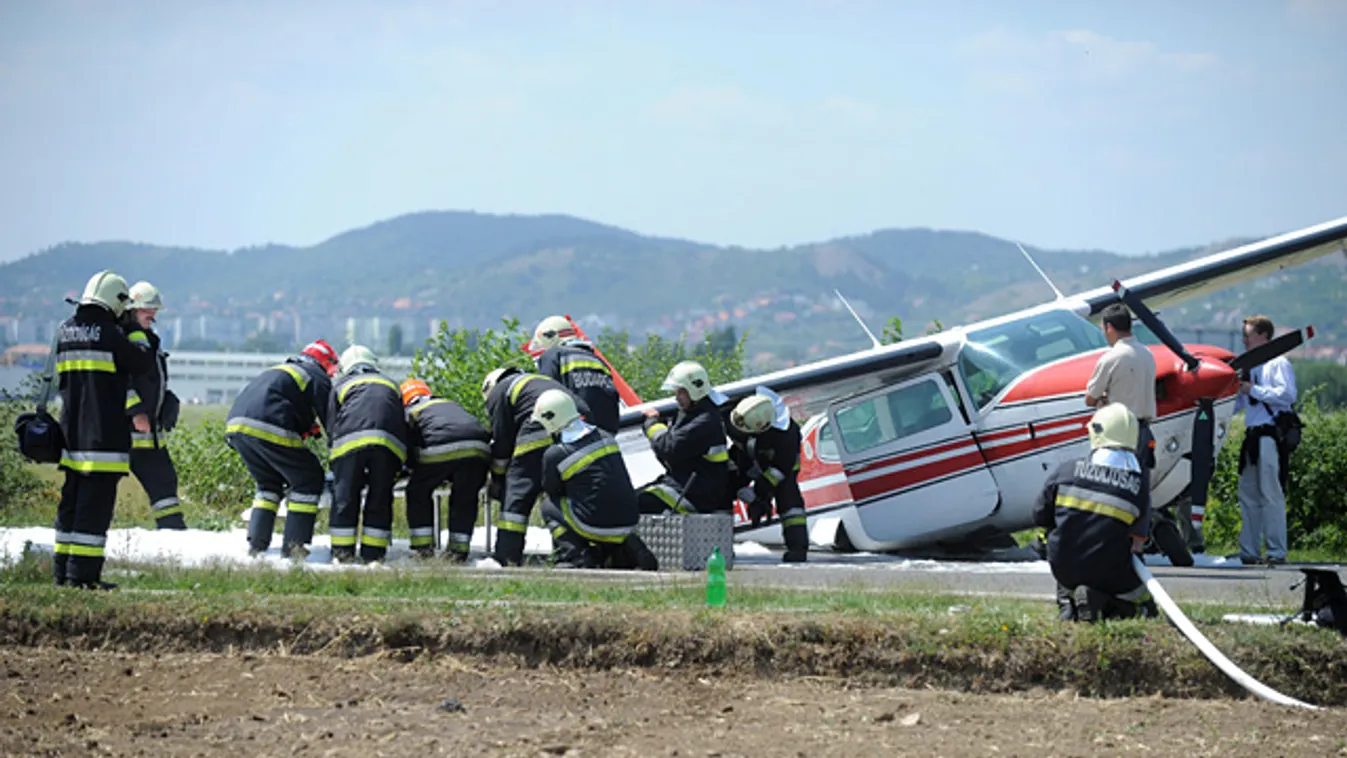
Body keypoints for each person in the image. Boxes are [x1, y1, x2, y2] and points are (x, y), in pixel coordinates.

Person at [52, 270, 155, 589]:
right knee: (93, 511)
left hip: (72, 436)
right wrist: (137, 332)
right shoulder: (111, 334)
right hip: (104, 439)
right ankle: (83, 578)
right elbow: (142, 363)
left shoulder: (65, 330)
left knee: (70, 504)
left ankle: (63, 574)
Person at [1034, 404, 1157, 622]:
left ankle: (1069, 603)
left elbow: (1040, 516)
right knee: (1141, 606)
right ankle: (1106, 603)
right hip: (1112, 573)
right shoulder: (1137, 487)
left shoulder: (1065, 471)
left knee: (1064, 551)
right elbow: (1137, 542)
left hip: (1064, 568)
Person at [226, 339, 338, 557]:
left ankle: (256, 544)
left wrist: (305, 425)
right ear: (326, 362)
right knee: (309, 478)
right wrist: (339, 453)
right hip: (268, 425)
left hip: (236, 426)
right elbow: (331, 420)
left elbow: (278, 401)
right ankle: (294, 548)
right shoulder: (316, 375)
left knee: (269, 483)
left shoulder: (280, 370)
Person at [532, 388, 658, 570]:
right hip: (630, 520)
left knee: (549, 507)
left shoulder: (555, 454)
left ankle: (577, 556)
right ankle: (626, 548)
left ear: (551, 420)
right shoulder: (606, 437)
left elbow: (552, 489)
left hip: (595, 526)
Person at [326, 345, 408, 564]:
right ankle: (374, 555)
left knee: (345, 497)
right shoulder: (391, 384)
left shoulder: (342, 385)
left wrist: (333, 459)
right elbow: (402, 419)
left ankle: (342, 555)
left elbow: (332, 424)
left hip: (349, 444)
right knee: (380, 498)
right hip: (388, 444)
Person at [399, 378, 491, 561]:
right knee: (465, 497)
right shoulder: (449, 403)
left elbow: (407, 447)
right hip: (479, 448)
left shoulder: (409, 411)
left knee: (418, 491)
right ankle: (458, 552)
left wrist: (407, 468)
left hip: (440, 445)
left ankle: (423, 550)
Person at [121, 281, 186, 530]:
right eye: (147, 308)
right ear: (132, 309)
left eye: (155, 309)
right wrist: (136, 411)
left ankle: (172, 534)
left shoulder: (147, 339)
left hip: (148, 434)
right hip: (126, 432)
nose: (153, 313)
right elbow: (121, 380)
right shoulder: (124, 339)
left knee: (164, 482)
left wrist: (167, 401)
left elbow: (150, 380)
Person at [1235, 315, 1298, 566]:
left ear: (1262, 336)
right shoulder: (1249, 368)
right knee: (1248, 494)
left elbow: (1287, 395)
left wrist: (1253, 390)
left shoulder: (1278, 363)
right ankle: (1249, 550)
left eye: (1248, 335)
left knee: (1271, 494)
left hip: (1270, 434)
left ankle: (1276, 551)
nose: (1244, 340)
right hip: (1252, 435)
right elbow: (1241, 404)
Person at [637, 360, 731, 515]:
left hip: (695, 494)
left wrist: (652, 423)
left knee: (633, 506)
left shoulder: (704, 421)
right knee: (630, 500)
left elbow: (667, 447)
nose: (677, 397)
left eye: (681, 392)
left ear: (695, 390)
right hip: (688, 486)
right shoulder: (693, 414)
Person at [727, 389, 808, 562]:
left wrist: (761, 492)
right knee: (724, 486)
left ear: (762, 426)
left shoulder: (787, 435)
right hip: (746, 456)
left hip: (779, 467)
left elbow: (781, 467)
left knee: (789, 498)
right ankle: (721, 545)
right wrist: (745, 492)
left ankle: (798, 547)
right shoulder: (734, 412)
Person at [530, 315, 621, 434]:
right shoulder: (596, 360)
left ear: (550, 337)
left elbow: (547, 395)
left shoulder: (553, 355)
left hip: (577, 431)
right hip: (608, 432)